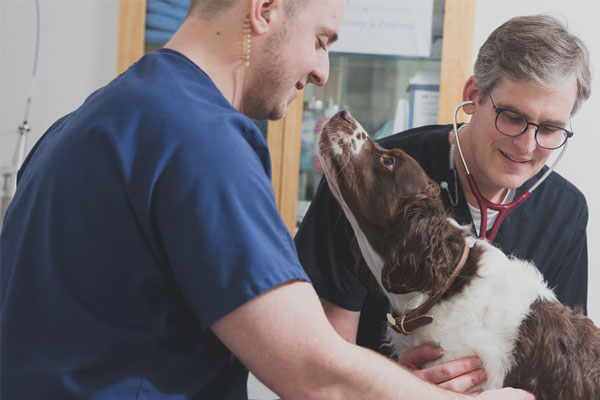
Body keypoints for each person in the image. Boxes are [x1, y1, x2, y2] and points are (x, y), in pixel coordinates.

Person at [0, 0, 534, 399]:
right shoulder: (200, 139)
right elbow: (313, 373)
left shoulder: (86, 123)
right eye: (322, 40)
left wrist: (393, 383)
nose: (322, 70)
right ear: (266, 10)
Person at [296, 12, 591, 383]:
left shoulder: (564, 212)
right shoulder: (369, 181)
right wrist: (401, 388)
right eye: (513, 117)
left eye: (549, 128)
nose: (527, 145)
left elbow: (559, 372)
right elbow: (316, 366)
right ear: (473, 97)